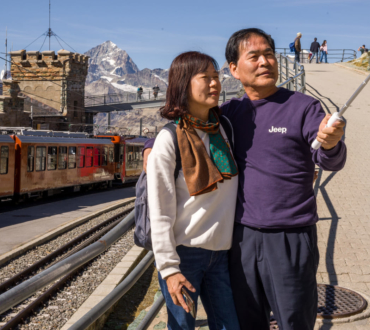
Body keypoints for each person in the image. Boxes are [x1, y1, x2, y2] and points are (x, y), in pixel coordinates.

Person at [222, 28, 347, 330]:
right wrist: (150, 146)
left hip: (292, 237)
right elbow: (186, 125)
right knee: (246, 321)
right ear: (234, 69)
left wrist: (331, 143)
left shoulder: (304, 107)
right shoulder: (227, 113)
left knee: (295, 321)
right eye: (254, 56)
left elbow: (329, 158)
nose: (265, 62)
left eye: (269, 55)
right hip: (240, 239)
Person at [147, 51, 240, 330]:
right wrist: (169, 269)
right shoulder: (168, 139)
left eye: (217, 77)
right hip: (184, 257)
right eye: (206, 78)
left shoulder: (223, 129)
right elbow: (160, 212)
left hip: (221, 254)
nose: (215, 84)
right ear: (183, 84)